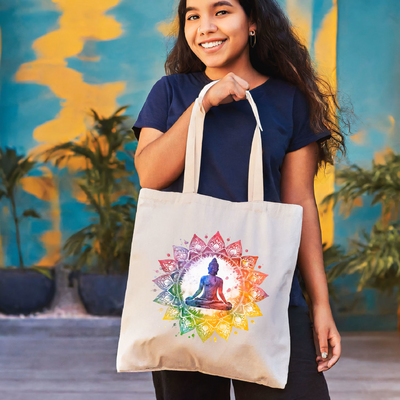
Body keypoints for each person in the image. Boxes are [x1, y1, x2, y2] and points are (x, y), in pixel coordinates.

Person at [132, 0, 352, 398]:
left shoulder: (288, 100)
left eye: (221, 11)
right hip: (184, 300)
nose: (205, 27)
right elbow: (150, 174)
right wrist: (203, 103)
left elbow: (299, 203)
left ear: (252, 22)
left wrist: (321, 305)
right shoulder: (171, 92)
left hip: (271, 293)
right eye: (193, 16)